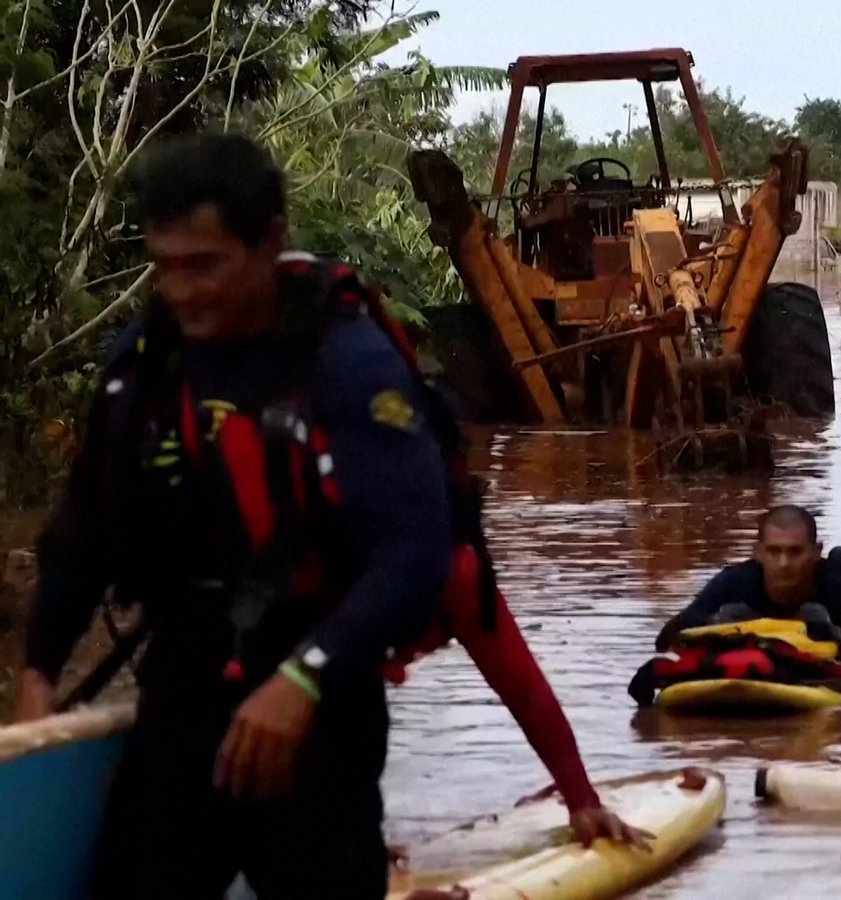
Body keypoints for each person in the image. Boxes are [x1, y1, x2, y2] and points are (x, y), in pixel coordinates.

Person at [12, 133, 630, 899]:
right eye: (165, 267)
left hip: (322, 692)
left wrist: (303, 679)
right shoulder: (144, 366)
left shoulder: (349, 364)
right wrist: (39, 670)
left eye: (206, 265)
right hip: (186, 678)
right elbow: (83, 533)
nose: (183, 291)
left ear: (269, 243)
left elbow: (416, 556)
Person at [655, 506, 841, 673]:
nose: (784, 563)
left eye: (795, 552)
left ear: (816, 552)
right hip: (753, 666)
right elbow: (667, 638)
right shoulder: (737, 581)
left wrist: (832, 637)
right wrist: (723, 629)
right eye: (774, 551)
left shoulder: (837, 580)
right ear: (758, 553)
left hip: (817, 667)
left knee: (814, 614)